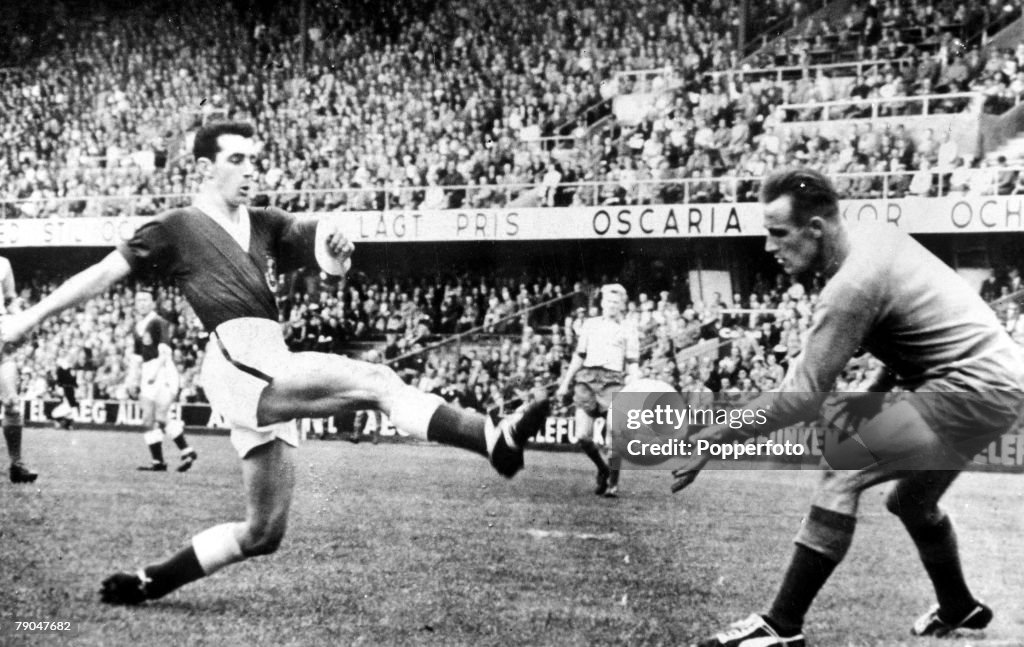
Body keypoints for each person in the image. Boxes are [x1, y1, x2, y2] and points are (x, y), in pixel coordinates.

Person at [0, 121, 549, 605]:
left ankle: (151, 581)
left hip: (269, 360)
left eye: (254, 159)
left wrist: (338, 246)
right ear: (204, 167)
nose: (249, 169)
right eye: (236, 159)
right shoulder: (176, 226)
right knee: (376, 379)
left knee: (263, 532)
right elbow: (100, 273)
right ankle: (492, 439)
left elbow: (325, 252)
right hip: (237, 359)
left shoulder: (265, 222)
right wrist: (24, 322)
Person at [673, 168, 1024, 646]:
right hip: (996, 383)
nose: (768, 247)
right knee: (910, 502)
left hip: (974, 388)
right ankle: (959, 606)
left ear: (815, 229)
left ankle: (781, 627)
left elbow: (799, 397)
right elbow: (918, 335)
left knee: (844, 469)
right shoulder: (873, 239)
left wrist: (712, 439)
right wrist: (875, 394)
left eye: (778, 234)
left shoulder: (851, 285)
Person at [555, 283, 639, 498]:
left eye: (616, 302)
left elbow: (632, 362)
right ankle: (603, 469)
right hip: (587, 380)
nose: (611, 305)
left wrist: (635, 386)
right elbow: (579, 356)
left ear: (622, 305)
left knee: (613, 434)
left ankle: (613, 483)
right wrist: (565, 383)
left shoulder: (628, 328)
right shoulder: (590, 325)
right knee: (582, 436)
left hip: (613, 382)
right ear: (602, 302)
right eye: (608, 300)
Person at [130, 286, 197, 472]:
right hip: (147, 369)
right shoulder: (138, 326)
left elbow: (165, 352)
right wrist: (132, 379)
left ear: (152, 304)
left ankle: (183, 451)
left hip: (163, 370)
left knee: (159, 416)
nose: (141, 303)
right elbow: (136, 357)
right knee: (148, 419)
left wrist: (153, 373)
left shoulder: (159, 322)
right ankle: (162, 460)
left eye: (145, 300)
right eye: (139, 300)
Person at [0, 256, 36, 483]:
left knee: (12, 402)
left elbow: (10, 298)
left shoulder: (3, 263)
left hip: (2, 339)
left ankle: (16, 464)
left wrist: (18, 311)